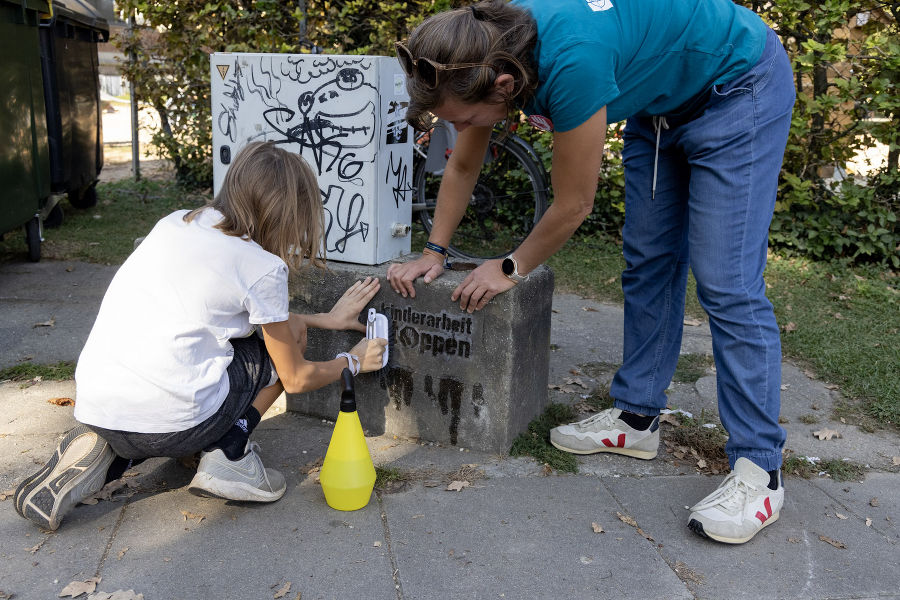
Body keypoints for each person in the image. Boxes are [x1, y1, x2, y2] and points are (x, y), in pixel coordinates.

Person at [386, 0, 794, 544]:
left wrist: (510, 266)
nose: (455, 129)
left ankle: (759, 469)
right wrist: (434, 250)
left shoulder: (571, 63)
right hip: (661, 107)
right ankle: (637, 419)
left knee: (727, 282)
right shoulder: (483, 50)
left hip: (738, 85)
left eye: (460, 118)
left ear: (505, 86)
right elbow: (462, 162)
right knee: (647, 265)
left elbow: (574, 203)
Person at [15, 141, 387, 531]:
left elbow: (226, 310)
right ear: (290, 213)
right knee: (279, 352)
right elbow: (294, 377)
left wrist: (325, 319)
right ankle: (228, 454)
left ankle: (111, 453)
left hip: (99, 404)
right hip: (171, 425)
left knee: (259, 342)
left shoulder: (176, 223)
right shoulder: (262, 266)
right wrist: (355, 360)